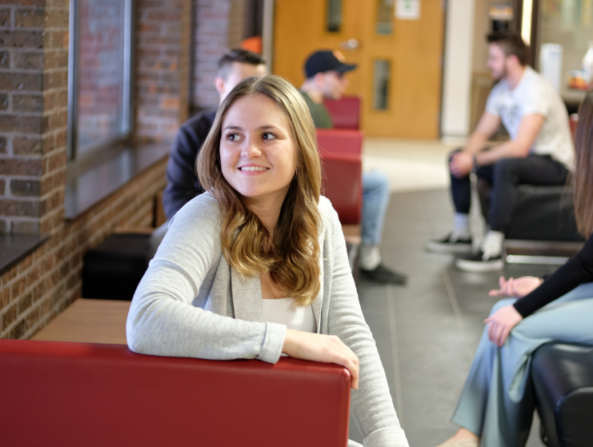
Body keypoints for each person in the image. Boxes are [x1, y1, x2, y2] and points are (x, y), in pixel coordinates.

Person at [127, 75, 409, 447]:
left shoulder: (321, 217)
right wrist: (286, 341)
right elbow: (146, 318)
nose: (249, 150)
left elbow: (350, 332)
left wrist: (386, 436)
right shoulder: (205, 215)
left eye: (268, 136)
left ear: (300, 146)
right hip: (222, 430)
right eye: (233, 136)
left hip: (300, 426)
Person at [434, 81, 593, 447]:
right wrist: (540, 285)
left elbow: (588, 262)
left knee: (515, 327)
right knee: (500, 313)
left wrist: (523, 307)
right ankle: (469, 433)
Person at [426, 31, 575, 272]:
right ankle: (462, 233)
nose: (488, 63)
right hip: (529, 159)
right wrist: (465, 157)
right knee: (456, 156)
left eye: (494, 58)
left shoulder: (535, 89)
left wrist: (474, 160)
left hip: (555, 162)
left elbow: (520, 147)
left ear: (512, 60)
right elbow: (481, 134)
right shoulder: (502, 91)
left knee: (507, 165)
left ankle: (493, 247)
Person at [300, 50, 406, 286]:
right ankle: (369, 258)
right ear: (320, 78)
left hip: (321, 178)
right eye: (339, 76)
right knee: (378, 183)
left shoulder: (309, 103)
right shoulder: (309, 109)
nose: (345, 82)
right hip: (315, 183)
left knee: (370, 176)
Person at [163, 49, 268, 219]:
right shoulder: (193, 133)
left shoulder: (270, 131)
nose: (253, 92)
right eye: (244, 85)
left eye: (260, 85)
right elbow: (177, 195)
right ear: (220, 85)